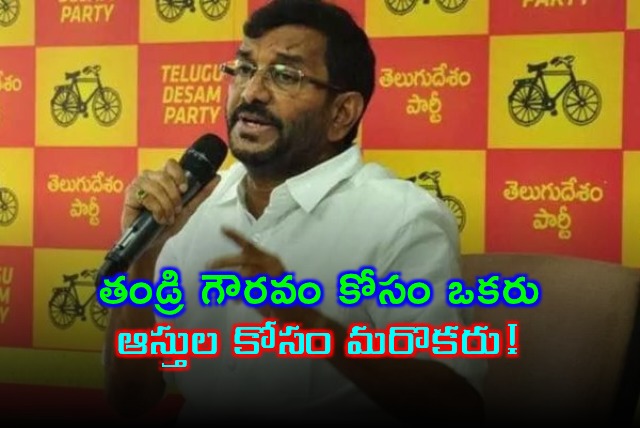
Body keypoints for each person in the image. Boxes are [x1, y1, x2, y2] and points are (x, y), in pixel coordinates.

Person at [103, 0, 486, 424]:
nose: (251, 92)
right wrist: (144, 260)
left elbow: (454, 406)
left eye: (285, 75)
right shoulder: (193, 206)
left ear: (341, 113)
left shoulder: (401, 219)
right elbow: (131, 399)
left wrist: (307, 323)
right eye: (244, 69)